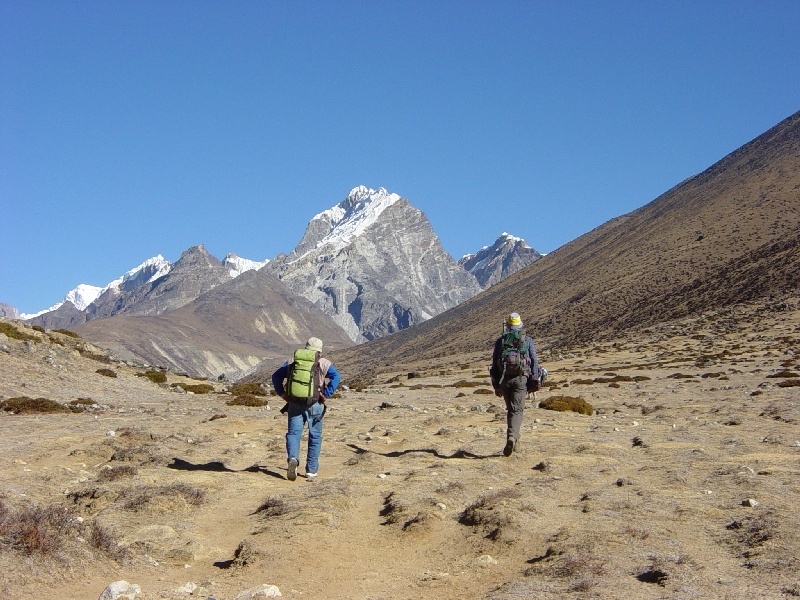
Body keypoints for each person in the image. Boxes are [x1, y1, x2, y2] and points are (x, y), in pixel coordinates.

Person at [271, 337, 341, 481]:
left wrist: (283, 394)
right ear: (320, 350)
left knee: (293, 434)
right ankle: (311, 470)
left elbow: (276, 376)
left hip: (294, 403)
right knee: (315, 436)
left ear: (305, 347)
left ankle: (293, 458)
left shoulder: (293, 361)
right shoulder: (323, 363)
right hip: (315, 404)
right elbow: (336, 377)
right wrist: (326, 394)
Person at [490, 312, 540, 457]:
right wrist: (535, 379)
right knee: (517, 411)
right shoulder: (527, 340)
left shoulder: (501, 341)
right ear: (519, 325)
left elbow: (494, 364)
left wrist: (496, 386)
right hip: (520, 379)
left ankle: (514, 443)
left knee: (510, 410)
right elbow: (534, 361)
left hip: (504, 380)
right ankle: (512, 437)